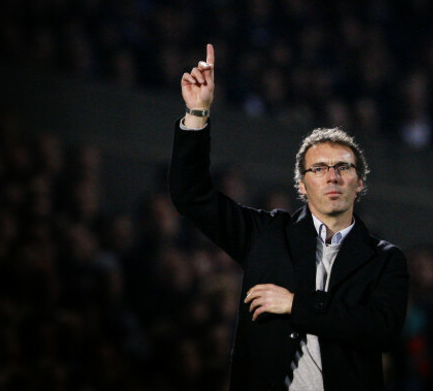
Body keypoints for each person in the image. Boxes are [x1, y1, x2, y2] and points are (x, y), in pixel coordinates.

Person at [169, 44, 409, 390]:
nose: (333, 176)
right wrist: (197, 112)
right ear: (302, 183)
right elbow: (191, 196)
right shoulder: (265, 235)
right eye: (320, 168)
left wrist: (296, 305)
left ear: (360, 182)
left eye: (344, 167)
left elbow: (381, 329)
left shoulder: (386, 260)